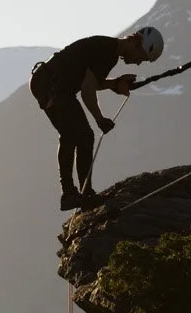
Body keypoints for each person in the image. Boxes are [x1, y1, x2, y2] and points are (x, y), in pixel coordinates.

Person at [30, 27, 164, 211]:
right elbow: (87, 91)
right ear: (136, 43)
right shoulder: (108, 52)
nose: (138, 63)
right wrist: (100, 119)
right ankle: (82, 194)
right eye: (141, 57)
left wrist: (115, 84)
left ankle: (72, 194)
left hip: (45, 82)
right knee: (84, 135)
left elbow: (90, 82)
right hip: (52, 87)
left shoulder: (108, 49)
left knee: (71, 135)